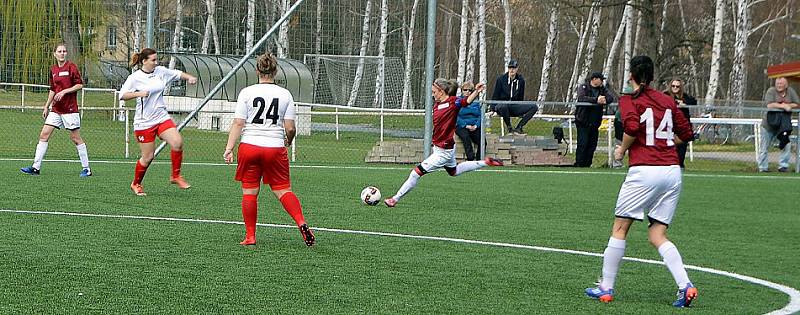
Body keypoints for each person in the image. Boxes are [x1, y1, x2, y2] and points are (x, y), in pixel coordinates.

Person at [585, 56, 697, 307]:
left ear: (631, 76)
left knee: (620, 228)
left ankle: (606, 287)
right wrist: (666, 144)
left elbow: (633, 127)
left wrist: (621, 150)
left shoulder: (629, 100)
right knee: (657, 233)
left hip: (645, 170)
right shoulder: (667, 100)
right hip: (672, 171)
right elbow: (687, 133)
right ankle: (685, 285)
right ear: (652, 75)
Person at [223, 53, 314, 246]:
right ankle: (301, 222)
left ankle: (250, 236)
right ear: (276, 71)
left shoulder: (247, 92)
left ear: (257, 70)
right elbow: (290, 128)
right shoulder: (285, 94)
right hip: (274, 147)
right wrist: (288, 141)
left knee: (249, 192)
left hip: (250, 146)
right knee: (283, 190)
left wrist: (229, 148)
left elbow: (239, 123)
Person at [384, 79, 504, 207]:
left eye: (434, 92)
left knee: (416, 173)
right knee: (454, 171)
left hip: (443, 151)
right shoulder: (437, 104)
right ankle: (485, 162)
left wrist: (476, 91)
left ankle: (394, 199)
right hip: (443, 148)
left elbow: (466, 101)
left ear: (441, 91)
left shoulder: (453, 102)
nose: (433, 94)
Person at [119, 48, 198, 196]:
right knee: (148, 157)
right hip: (144, 122)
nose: (156, 62)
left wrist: (189, 78)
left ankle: (175, 176)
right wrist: (139, 93)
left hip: (161, 117)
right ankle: (136, 183)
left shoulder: (160, 71)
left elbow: (177, 74)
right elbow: (122, 95)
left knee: (177, 142)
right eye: (153, 60)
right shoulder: (135, 78)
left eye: (157, 60)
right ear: (144, 61)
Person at [20, 44, 92, 177]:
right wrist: (46, 105)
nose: (62, 53)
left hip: (70, 109)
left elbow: (80, 85)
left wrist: (65, 91)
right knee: (44, 135)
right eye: (59, 51)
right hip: (56, 109)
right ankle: (36, 167)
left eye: (64, 51)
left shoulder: (71, 67)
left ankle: (86, 169)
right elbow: (53, 89)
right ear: (55, 54)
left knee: (75, 138)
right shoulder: (53, 70)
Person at [574, 71, 617, 167]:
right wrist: (596, 100)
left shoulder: (602, 89)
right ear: (594, 79)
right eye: (600, 79)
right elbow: (581, 98)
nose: (601, 82)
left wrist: (604, 100)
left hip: (595, 121)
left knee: (592, 145)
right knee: (582, 143)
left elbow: (610, 98)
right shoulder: (584, 87)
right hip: (583, 121)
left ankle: (588, 163)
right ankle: (579, 163)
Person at [757, 77, 799, 172]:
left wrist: (789, 106)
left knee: (786, 144)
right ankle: (763, 167)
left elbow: (796, 103)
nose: (779, 86)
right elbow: (769, 105)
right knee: (764, 147)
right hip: (769, 125)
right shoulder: (771, 91)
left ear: (786, 85)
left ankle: (783, 166)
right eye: (778, 84)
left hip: (783, 126)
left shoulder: (790, 91)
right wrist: (784, 106)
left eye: (781, 84)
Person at [491, 59, 538, 135]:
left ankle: (519, 127)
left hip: (514, 105)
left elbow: (520, 97)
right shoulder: (501, 79)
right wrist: (492, 108)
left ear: (517, 69)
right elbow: (495, 95)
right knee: (503, 106)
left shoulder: (521, 80)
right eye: (510, 68)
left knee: (534, 107)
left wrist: (520, 109)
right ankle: (509, 128)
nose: (512, 70)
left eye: (514, 68)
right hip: (502, 106)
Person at [664, 78, 697, 168]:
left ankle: (680, 166)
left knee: (681, 152)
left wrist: (684, 103)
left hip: (682, 128)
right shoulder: (665, 95)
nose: (675, 88)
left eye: (677, 86)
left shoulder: (685, 97)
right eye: (673, 86)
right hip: (669, 127)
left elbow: (693, 102)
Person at [455, 82, 483, 161]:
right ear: (461, 90)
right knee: (465, 137)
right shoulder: (458, 101)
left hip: (474, 126)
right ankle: (470, 158)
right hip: (461, 125)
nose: (467, 92)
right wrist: (465, 125)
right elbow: (455, 116)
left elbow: (480, 116)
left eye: (470, 90)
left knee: (482, 141)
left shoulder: (476, 102)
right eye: (465, 90)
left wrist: (476, 125)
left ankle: (479, 159)